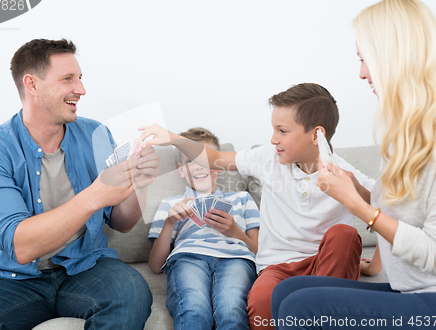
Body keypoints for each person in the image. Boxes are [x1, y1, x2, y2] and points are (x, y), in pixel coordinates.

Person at [271, 0, 436, 329]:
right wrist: (358, 189)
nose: (361, 73)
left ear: (395, 57)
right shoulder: (407, 133)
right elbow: (406, 213)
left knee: (302, 307)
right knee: (286, 292)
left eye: (365, 59)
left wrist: (356, 206)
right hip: (413, 289)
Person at [139, 83, 375, 330]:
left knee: (344, 235)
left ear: (316, 135)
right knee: (262, 303)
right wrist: (172, 138)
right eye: (274, 130)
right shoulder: (267, 159)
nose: (273, 139)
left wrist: (355, 190)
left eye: (282, 131)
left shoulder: (345, 174)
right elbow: (213, 158)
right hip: (278, 267)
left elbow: (392, 212)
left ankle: (318, 312)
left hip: (324, 267)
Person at [0, 39, 160, 330]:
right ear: (32, 84)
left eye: (80, 78)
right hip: (15, 278)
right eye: (68, 79)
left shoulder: (96, 134)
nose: (81, 90)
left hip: (88, 267)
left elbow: (122, 223)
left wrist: (140, 183)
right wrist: (94, 196)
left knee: (131, 294)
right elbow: (20, 246)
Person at [148, 127, 260, 330]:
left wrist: (234, 231)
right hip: (189, 257)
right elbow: (155, 266)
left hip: (236, 259)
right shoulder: (171, 204)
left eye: (204, 160)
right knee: (194, 308)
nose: (198, 166)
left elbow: (259, 252)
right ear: (181, 169)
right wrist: (170, 223)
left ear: (218, 165)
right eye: (191, 161)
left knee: (231, 309)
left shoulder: (243, 199)